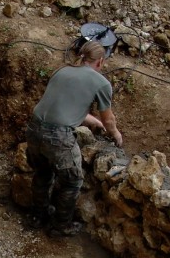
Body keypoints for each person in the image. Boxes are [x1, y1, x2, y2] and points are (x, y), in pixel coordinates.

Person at [25, 40, 123, 237]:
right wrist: (115, 133)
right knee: (72, 181)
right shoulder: (101, 83)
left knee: (42, 173)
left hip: (34, 127)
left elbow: (63, 104)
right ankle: (62, 224)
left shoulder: (62, 71)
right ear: (100, 62)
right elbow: (109, 118)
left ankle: (38, 216)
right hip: (58, 135)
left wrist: (92, 121)